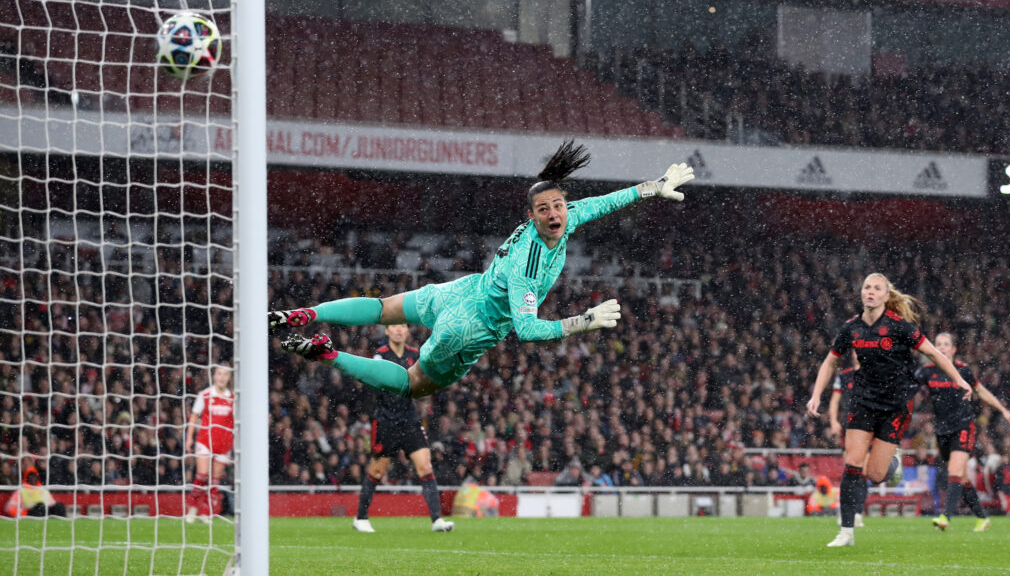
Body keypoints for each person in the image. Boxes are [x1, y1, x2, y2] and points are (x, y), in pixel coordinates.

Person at [269, 140, 695, 399]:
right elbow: (526, 331)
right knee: (411, 384)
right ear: (530, 217)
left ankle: (308, 313)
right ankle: (328, 354)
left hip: (459, 291)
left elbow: (604, 203)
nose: (554, 214)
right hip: (471, 326)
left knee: (383, 309)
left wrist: (653, 188)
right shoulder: (530, 265)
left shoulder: (564, 218)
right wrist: (583, 322)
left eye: (558, 206)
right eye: (544, 210)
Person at [806, 273, 972, 547]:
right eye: (866, 287)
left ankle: (892, 461)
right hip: (863, 402)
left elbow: (932, 353)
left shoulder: (899, 326)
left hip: (896, 406)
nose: (870, 292)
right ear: (861, 293)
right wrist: (815, 396)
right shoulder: (851, 328)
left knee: (875, 475)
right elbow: (829, 362)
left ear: (886, 296)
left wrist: (958, 378)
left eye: (876, 288)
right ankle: (846, 531)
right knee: (852, 464)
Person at [352, 324, 454, 533]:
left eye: (402, 326)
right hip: (386, 420)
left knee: (425, 466)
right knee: (378, 470)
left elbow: (425, 379)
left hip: (409, 419)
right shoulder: (379, 355)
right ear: (387, 332)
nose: (398, 330)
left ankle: (437, 520)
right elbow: (374, 382)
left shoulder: (415, 355)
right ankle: (360, 517)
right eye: (394, 326)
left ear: (407, 331)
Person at [917, 332, 1010, 532]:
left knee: (954, 472)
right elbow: (910, 392)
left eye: (946, 344)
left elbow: (981, 391)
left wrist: (1003, 410)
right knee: (960, 477)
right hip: (941, 430)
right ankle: (982, 518)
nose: (942, 347)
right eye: (938, 344)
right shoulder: (926, 372)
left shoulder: (963, 370)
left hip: (963, 426)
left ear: (953, 349)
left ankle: (945, 517)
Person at [184, 365, 234, 524]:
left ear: (229, 378)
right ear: (214, 376)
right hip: (205, 440)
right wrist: (189, 438)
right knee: (202, 474)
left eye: (225, 374)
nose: (222, 377)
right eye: (219, 373)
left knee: (215, 479)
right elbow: (194, 416)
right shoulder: (205, 395)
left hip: (224, 443)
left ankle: (206, 512)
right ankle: (192, 508)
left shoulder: (233, 397)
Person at [828, 352, 865, 527]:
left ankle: (857, 511)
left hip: (868, 426)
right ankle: (850, 512)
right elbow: (835, 400)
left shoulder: (873, 373)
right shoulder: (844, 376)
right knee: (851, 471)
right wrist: (833, 421)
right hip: (849, 427)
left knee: (863, 472)